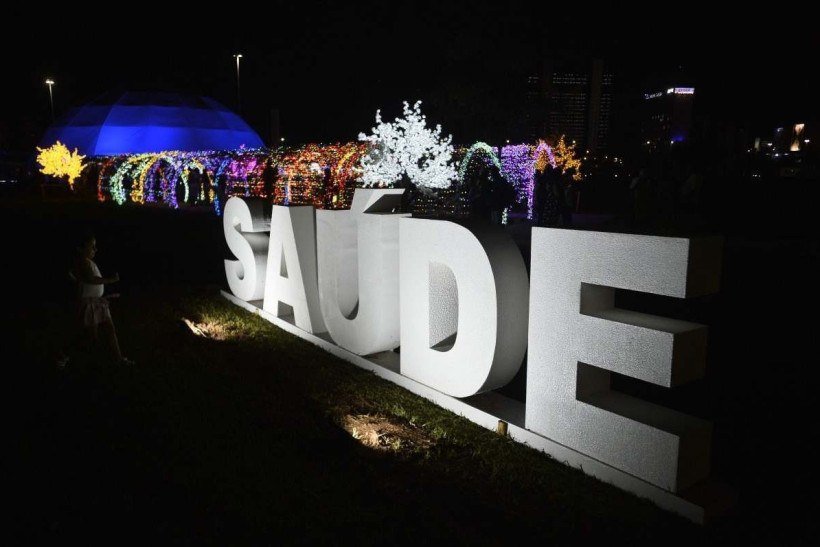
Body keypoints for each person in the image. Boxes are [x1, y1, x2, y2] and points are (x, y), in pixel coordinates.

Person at [62, 231, 133, 367]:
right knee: (90, 336)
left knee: (108, 329)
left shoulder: (89, 262)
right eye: (92, 246)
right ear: (81, 248)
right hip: (88, 304)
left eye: (95, 246)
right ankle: (65, 355)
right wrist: (111, 280)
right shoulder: (82, 262)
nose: (95, 249)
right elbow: (91, 279)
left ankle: (117, 359)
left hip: (97, 303)